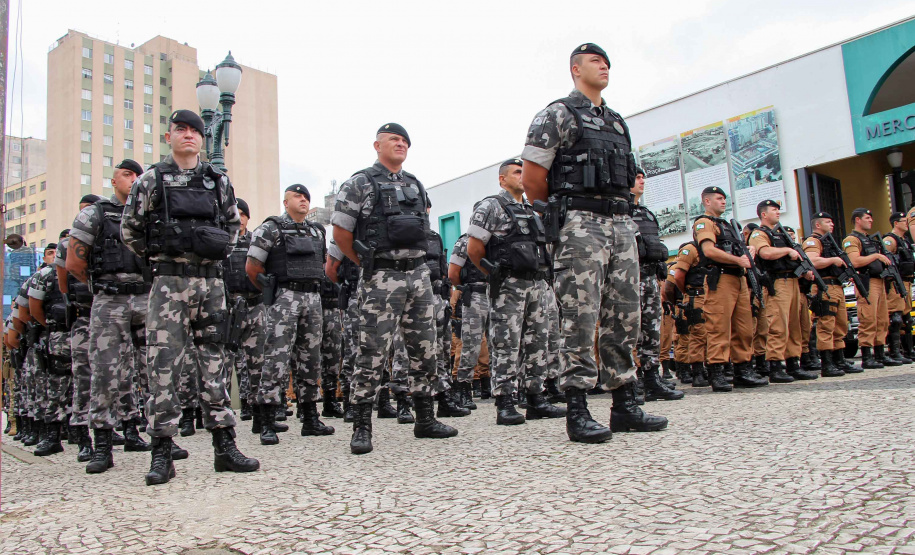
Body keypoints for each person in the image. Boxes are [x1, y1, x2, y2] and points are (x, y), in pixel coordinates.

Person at [521, 43, 667, 442]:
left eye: (607, 61)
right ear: (575, 68)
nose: (603, 65)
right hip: (580, 224)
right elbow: (534, 180)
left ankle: (625, 404)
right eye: (594, 61)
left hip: (621, 223)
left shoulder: (617, 122)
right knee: (580, 316)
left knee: (625, 315)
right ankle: (577, 407)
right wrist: (560, 221)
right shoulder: (558, 114)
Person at [121, 109, 258, 485]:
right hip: (168, 284)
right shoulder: (151, 180)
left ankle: (224, 447)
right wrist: (164, 253)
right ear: (169, 137)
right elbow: (130, 231)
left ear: (202, 138)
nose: (187, 135)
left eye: (194, 130)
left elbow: (232, 226)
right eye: (180, 129)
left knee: (214, 361)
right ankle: (162, 452)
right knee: (163, 366)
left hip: (210, 284)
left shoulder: (218, 181)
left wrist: (212, 248)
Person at [328, 123, 457, 454]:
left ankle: (425, 419)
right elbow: (341, 234)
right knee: (371, 351)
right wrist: (366, 263)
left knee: (426, 349)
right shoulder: (359, 183)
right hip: (381, 277)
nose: (400, 144)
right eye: (393, 139)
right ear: (377, 145)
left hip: (419, 276)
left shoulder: (414, 183)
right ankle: (361, 426)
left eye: (405, 141)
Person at [466, 158, 566, 424]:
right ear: (502, 179)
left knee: (538, 342)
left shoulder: (532, 209)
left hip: (536, 285)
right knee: (506, 343)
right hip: (508, 285)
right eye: (516, 172)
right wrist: (495, 275)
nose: (522, 176)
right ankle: (505, 402)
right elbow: (474, 248)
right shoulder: (491, 206)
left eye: (524, 171)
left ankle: (536, 398)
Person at [246, 184, 334, 444]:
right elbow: (252, 268)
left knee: (311, 359)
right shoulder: (270, 228)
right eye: (297, 196)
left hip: (313, 298)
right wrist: (273, 294)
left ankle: (310, 418)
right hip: (284, 297)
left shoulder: (317, 231)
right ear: (285, 202)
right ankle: (267, 420)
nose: (303, 199)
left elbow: (323, 264)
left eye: (306, 196)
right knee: (276, 359)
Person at [692, 187, 768, 390]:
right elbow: (709, 250)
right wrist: (739, 259)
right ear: (707, 201)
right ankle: (717, 371)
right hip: (721, 278)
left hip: (738, 278)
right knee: (719, 327)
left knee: (744, 327)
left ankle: (743, 370)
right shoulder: (704, 223)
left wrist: (748, 250)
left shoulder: (728, 225)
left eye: (725, 198)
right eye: (718, 198)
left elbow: (737, 249)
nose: (723, 201)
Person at [747, 200, 818, 381]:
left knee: (794, 326)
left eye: (778, 210)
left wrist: (805, 272)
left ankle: (793, 363)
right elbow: (765, 254)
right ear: (763, 214)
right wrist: (787, 251)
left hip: (793, 281)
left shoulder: (781, 233)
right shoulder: (759, 234)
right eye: (774, 210)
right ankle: (775, 366)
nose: (778, 212)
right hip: (776, 283)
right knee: (778, 325)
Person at [629, 166, 682, 401]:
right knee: (629, 330)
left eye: (643, 178)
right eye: (637, 177)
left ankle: (651, 377)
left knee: (652, 329)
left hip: (650, 277)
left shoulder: (648, 214)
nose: (642, 181)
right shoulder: (620, 211)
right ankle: (632, 380)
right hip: (629, 278)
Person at [221, 198, 269, 430]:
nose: (239, 217)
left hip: (253, 305)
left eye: (243, 213)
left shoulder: (256, 242)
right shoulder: (220, 242)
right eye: (235, 213)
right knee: (223, 364)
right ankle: (220, 417)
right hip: (227, 308)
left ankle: (260, 414)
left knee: (257, 363)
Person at [802, 211, 855, 376]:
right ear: (818, 225)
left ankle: (839, 359)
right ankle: (827, 363)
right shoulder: (813, 241)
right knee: (826, 325)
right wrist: (833, 261)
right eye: (828, 222)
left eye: (832, 222)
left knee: (840, 325)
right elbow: (811, 261)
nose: (832, 224)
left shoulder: (830, 243)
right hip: (825, 286)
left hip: (837, 286)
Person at [842, 208, 892, 369]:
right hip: (866, 281)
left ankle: (880, 353)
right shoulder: (852, 239)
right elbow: (854, 261)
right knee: (868, 319)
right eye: (867, 218)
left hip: (879, 280)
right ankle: (867, 356)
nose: (870, 220)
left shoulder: (870, 239)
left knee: (882, 319)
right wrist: (876, 256)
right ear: (858, 220)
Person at [448, 234, 491, 403]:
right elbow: (453, 274)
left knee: (501, 343)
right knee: (470, 344)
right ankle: (464, 389)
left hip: (499, 293)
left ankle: (495, 388)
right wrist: (466, 289)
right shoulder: (465, 241)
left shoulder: (500, 238)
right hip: (474, 294)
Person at [882, 212, 914, 364]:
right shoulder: (890, 240)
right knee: (895, 317)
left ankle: (908, 350)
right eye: (904, 221)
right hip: (896, 282)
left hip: (906, 282)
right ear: (896, 223)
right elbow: (886, 259)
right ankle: (894, 351)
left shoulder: (905, 240)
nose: (907, 223)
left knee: (906, 318)